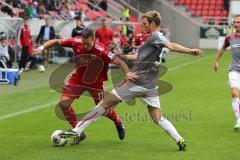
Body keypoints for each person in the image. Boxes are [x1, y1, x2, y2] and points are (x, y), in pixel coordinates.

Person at [62, 11, 203, 150]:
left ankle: (77, 130)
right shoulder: (152, 40)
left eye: (145, 23)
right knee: (158, 118)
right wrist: (122, 56)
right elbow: (138, 57)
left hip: (135, 82)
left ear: (153, 23)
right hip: (150, 87)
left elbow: (171, 46)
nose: (143, 25)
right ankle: (180, 140)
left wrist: (190, 50)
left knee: (103, 105)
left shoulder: (156, 36)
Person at [34, 28, 128, 144]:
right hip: (78, 80)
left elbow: (119, 62)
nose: (85, 46)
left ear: (94, 40)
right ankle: (78, 132)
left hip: (96, 82)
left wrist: (127, 74)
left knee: (103, 110)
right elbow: (56, 41)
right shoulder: (76, 42)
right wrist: (42, 47)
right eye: (83, 43)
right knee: (63, 103)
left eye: (88, 44)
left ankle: (118, 122)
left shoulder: (102, 50)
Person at [213, 15, 240, 129]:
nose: (236, 24)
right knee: (234, 94)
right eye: (235, 22)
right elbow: (223, 48)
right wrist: (216, 61)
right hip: (234, 70)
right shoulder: (230, 38)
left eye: (238, 22)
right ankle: (239, 119)